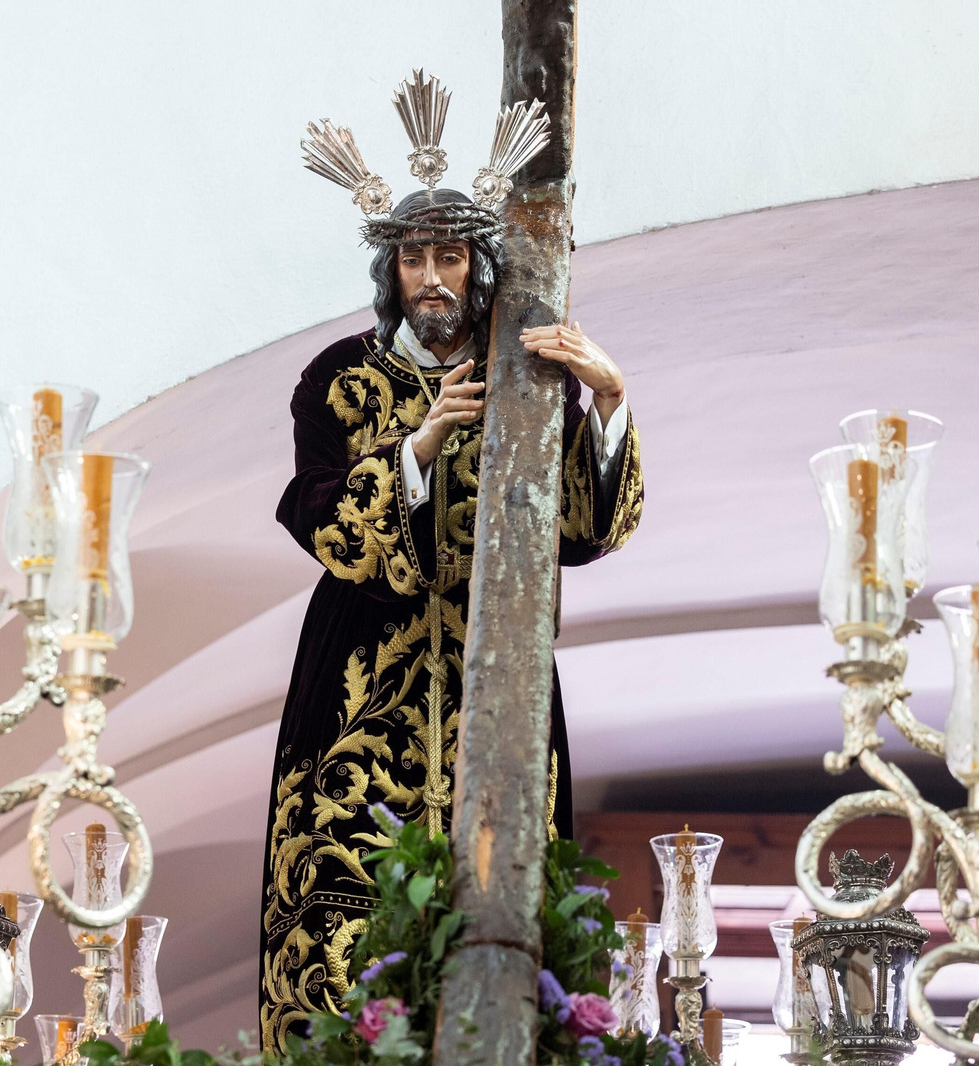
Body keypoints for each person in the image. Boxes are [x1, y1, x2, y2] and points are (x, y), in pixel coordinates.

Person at [260, 74, 644, 1051]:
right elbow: (315, 514)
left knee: (509, 909)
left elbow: (583, 530)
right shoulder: (339, 379)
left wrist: (604, 403)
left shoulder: (529, 378)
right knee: (347, 946)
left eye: (449, 258)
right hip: (360, 681)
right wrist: (418, 451)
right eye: (414, 260)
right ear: (389, 275)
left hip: (498, 665)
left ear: (480, 268)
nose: (432, 279)